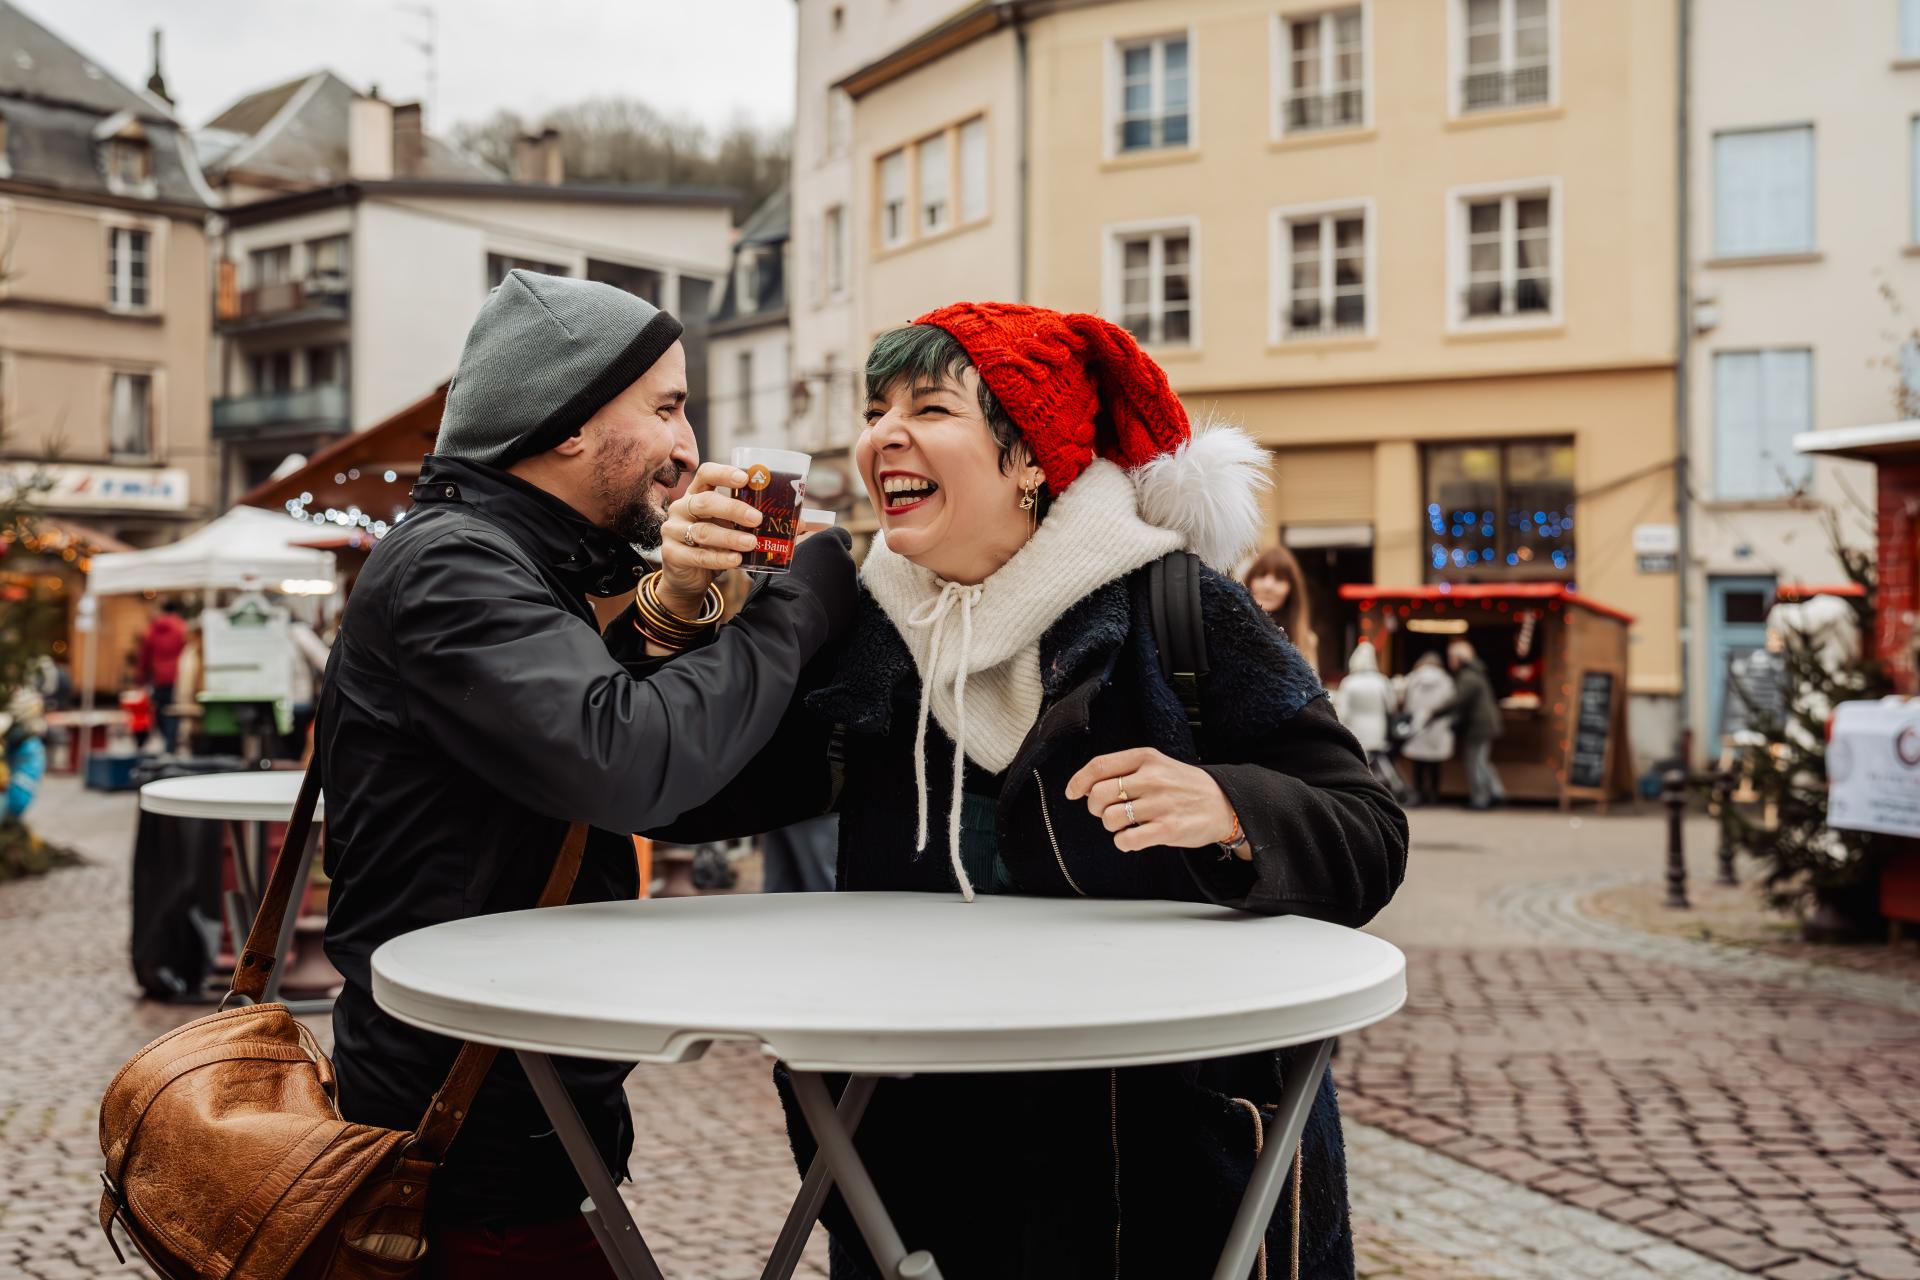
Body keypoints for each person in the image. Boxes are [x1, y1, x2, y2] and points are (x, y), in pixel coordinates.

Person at [662, 303, 1408, 1278]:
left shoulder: (1173, 605)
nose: (884, 432)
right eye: (876, 406)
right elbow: (689, 791)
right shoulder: (862, 622)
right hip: (922, 1148)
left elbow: (1368, 829)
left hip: (1152, 1154)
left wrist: (1230, 807)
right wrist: (679, 611)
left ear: (1028, 458)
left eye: (930, 407)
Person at [314, 270, 857, 1277]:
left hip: (507, 1108)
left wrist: (688, 602)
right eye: (665, 407)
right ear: (565, 422)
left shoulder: (526, 561)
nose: (690, 448)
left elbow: (659, 763)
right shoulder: (453, 568)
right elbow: (625, 758)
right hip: (455, 1142)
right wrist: (798, 605)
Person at [1438, 637, 1505, 810]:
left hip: (1478, 726)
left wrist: (1433, 712)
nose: (1450, 662)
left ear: (1460, 658)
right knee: (1481, 760)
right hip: (1482, 724)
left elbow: (1457, 700)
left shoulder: (1468, 676)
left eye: (1451, 658)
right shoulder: (1474, 673)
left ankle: (1481, 798)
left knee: (1475, 761)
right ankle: (1496, 792)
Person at [1332, 640, 1399, 796]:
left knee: (1360, 760)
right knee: (1377, 758)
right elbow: (1391, 706)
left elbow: (1343, 709)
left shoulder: (1349, 682)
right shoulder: (1381, 681)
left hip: (1356, 727)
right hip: (1377, 727)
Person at [1240, 543, 1319, 672]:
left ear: (1291, 590)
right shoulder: (1232, 629)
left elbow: (1312, 689)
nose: (1268, 585)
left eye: (1280, 578)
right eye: (1261, 575)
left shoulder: (1307, 640)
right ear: (1250, 580)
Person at [1399, 650, 1457, 805]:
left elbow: (1407, 702)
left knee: (1418, 762)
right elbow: (1450, 701)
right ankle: (1434, 796)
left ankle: (1419, 794)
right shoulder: (1445, 680)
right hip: (1437, 725)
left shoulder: (1413, 678)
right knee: (1435, 762)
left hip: (1419, 724)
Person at [135, 601, 187, 752]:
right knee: (175, 711)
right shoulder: (181, 628)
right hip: (178, 677)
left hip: (159, 678)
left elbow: (144, 657)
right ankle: (171, 743)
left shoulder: (152, 630)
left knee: (160, 711)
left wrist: (141, 678)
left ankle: (166, 740)